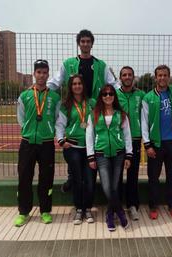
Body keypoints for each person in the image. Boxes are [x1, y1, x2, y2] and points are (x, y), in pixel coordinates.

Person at [47, 29, 119, 193]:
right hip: (74, 107)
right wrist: (40, 88)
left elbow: (113, 84)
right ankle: (73, 179)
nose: (85, 44)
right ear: (79, 44)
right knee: (74, 148)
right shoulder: (68, 64)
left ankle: (86, 188)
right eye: (82, 41)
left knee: (92, 147)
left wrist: (123, 92)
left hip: (93, 108)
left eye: (88, 41)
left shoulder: (101, 65)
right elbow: (56, 81)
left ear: (92, 44)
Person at [14, 59, 61, 227]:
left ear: (48, 74)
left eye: (44, 72)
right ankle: (23, 212)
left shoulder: (55, 97)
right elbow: (21, 118)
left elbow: (57, 118)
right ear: (34, 74)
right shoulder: (25, 95)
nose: (41, 75)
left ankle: (45, 211)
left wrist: (47, 130)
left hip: (47, 143)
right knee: (24, 177)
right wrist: (29, 130)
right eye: (38, 72)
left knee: (46, 178)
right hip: (27, 143)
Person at [86, 84, 132, 232]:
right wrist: (91, 157)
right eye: (105, 94)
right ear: (101, 96)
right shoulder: (93, 114)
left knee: (115, 186)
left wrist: (129, 155)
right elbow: (89, 136)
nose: (108, 96)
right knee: (107, 187)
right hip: (101, 155)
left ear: (114, 96)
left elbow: (127, 135)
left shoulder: (121, 114)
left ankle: (109, 215)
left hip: (119, 154)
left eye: (111, 93)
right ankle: (119, 211)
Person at [141, 65, 172, 220]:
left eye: (165, 75)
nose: (162, 78)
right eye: (160, 75)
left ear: (169, 77)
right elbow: (144, 122)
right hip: (155, 144)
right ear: (155, 77)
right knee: (153, 177)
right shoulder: (148, 97)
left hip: (171, 142)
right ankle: (153, 206)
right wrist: (147, 145)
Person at [56, 74, 96, 225]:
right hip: (72, 147)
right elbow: (60, 124)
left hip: (90, 148)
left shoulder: (91, 102)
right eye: (74, 84)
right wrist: (61, 140)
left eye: (79, 83)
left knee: (90, 181)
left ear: (83, 86)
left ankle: (88, 209)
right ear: (70, 87)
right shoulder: (66, 104)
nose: (77, 86)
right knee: (78, 180)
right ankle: (79, 209)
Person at [116, 66, 145, 221]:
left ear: (133, 77)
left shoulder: (141, 95)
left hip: (134, 139)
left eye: (129, 75)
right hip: (118, 141)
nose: (127, 77)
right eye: (124, 75)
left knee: (133, 175)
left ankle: (132, 205)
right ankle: (118, 206)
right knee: (118, 175)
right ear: (120, 78)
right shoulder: (114, 95)